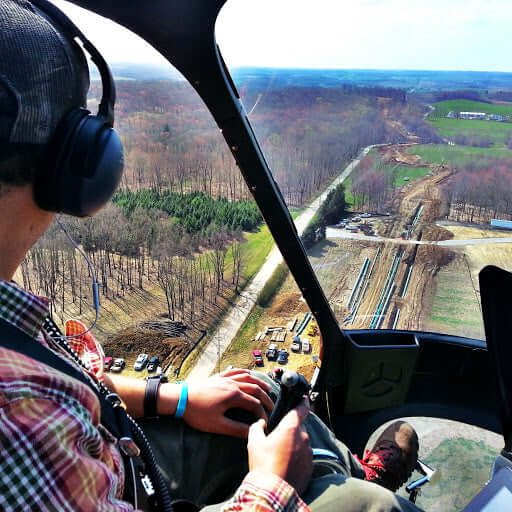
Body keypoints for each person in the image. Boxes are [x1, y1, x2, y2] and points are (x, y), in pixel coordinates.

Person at [0, 1, 423, 511]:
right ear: (76, 163)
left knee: (259, 394)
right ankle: (366, 487)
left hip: (106, 449)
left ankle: (350, 471)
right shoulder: (15, 423)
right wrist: (273, 484)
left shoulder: (17, 339)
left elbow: (65, 379)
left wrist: (173, 397)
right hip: (116, 480)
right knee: (368, 507)